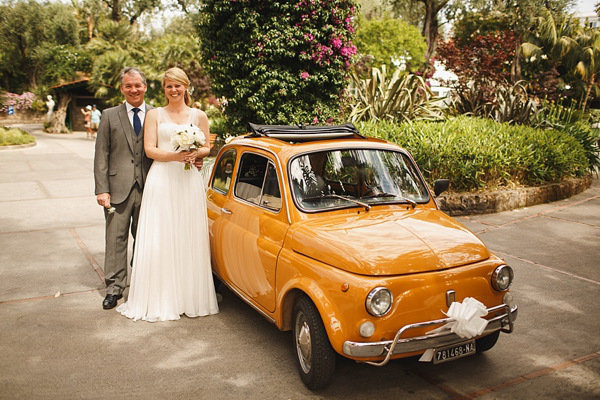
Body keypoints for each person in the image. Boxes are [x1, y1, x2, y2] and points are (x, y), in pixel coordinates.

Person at [116, 67, 219, 322]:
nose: (173, 90)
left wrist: (196, 154)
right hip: (162, 179)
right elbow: (150, 150)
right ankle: (162, 298)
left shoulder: (199, 114)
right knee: (161, 236)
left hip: (187, 181)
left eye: (178, 86)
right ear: (163, 89)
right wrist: (176, 156)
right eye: (168, 86)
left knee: (187, 234)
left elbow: (207, 147)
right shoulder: (154, 114)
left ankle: (188, 296)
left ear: (186, 87)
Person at [94, 67, 153, 310]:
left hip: (150, 187)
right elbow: (101, 154)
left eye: (137, 85)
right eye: (128, 86)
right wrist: (101, 189)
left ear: (146, 87)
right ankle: (115, 288)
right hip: (117, 189)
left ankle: (141, 283)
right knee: (116, 239)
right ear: (122, 88)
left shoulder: (156, 115)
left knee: (146, 238)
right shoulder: (109, 115)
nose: (133, 90)